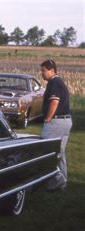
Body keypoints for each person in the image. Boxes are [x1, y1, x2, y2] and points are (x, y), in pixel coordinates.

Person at [40, 59, 73, 191]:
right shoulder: (59, 82)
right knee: (60, 153)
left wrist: (48, 118)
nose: (41, 73)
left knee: (46, 151)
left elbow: (54, 102)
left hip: (56, 122)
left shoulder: (54, 82)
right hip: (66, 121)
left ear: (51, 70)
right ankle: (62, 183)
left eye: (43, 70)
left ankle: (58, 179)